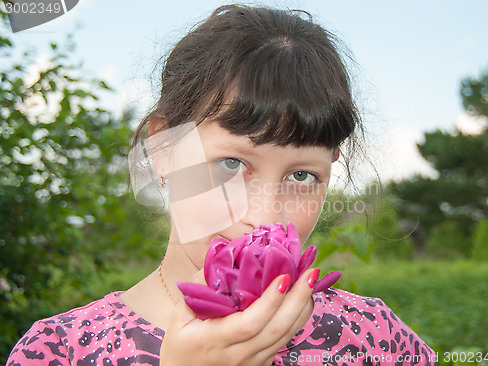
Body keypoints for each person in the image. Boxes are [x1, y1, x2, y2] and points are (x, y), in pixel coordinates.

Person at [7, 4, 436, 366]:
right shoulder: (58, 350)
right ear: (161, 147)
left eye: (301, 175)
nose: (264, 216)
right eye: (232, 163)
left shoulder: (374, 337)